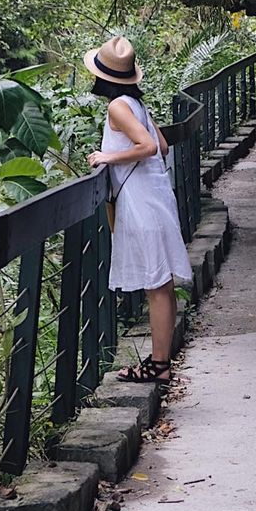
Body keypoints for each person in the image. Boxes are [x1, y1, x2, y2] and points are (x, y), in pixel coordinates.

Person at [85, 35, 192, 385]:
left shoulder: (118, 107)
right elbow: (162, 145)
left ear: (102, 77)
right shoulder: (137, 104)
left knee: (156, 285)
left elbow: (147, 146)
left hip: (140, 201)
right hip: (156, 196)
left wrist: (107, 156)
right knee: (162, 283)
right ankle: (160, 360)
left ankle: (159, 366)